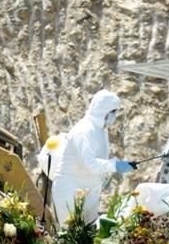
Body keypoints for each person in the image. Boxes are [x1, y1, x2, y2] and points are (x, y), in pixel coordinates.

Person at [49, 89, 134, 226]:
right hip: (70, 190)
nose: (115, 115)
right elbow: (90, 163)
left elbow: (100, 158)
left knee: (87, 238)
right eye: (113, 111)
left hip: (89, 189)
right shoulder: (84, 130)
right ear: (104, 111)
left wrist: (106, 173)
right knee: (71, 236)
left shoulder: (101, 130)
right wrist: (115, 165)